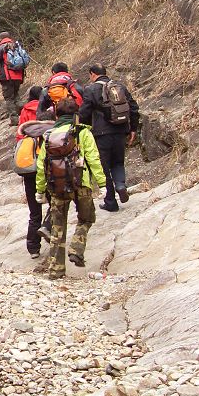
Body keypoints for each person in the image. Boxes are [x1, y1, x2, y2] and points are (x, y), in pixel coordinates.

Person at [36, 97, 107, 280]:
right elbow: (93, 158)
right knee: (86, 218)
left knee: (57, 228)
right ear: (76, 114)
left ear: (57, 115)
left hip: (57, 186)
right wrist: (102, 183)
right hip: (80, 183)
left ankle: (56, 270)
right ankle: (76, 247)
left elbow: (41, 165)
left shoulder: (49, 136)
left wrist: (40, 190)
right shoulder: (82, 132)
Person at [78, 63, 140, 212]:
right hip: (120, 131)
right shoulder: (119, 87)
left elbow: (84, 114)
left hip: (101, 134)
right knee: (118, 162)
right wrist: (133, 129)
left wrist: (83, 132)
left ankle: (111, 202)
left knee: (104, 167)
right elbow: (133, 107)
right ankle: (120, 185)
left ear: (92, 74)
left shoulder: (91, 89)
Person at [16, 85, 52, 259]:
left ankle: (33, 249)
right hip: (48, 167)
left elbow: (19, 137)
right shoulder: (49, 111)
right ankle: (49, 230)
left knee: (34, 211)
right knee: (55, 205)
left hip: (30, 166)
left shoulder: (25, 111)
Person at [0, 32, 29, 125]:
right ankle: (27, 113)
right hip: (19, 76)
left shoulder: (0, 49)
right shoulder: (16, 46)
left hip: (7, 77)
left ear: (0, 40)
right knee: (16, 95)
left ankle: (15, 120)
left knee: (9, 98)